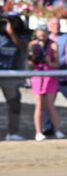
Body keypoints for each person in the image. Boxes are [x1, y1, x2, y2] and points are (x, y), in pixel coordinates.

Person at [28, 25, 63, 141]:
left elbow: (57, 64)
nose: (41, 37)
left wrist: (48, 60)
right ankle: (38, 132)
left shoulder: (53, 45)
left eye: (44, 35)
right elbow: (30, 63)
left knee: (50, 104)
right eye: (40, 35)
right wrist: (33, 58)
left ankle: (57, 130)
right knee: (39, 105)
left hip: (50, 76)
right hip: (38, 75)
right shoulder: (33, 44)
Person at [0, 12, 27, 141]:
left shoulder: (20, 35)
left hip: (10, 73)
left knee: (14, 103)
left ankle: (13, 132)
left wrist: (11, 33)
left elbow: (21, 46)